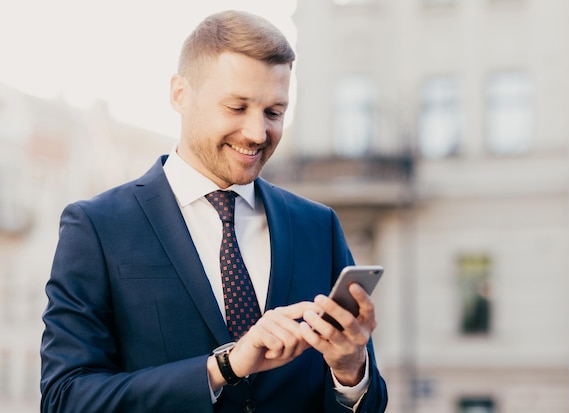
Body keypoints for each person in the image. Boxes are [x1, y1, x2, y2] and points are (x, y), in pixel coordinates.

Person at [40, 9, 387, 413]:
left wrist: (350, 370)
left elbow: (369, 402)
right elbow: (65, 399)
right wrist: (223, 366)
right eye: (237, 108)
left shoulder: (318, 226)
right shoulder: (97, 227)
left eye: (274, 112)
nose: (258, 133)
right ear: (180, 95)